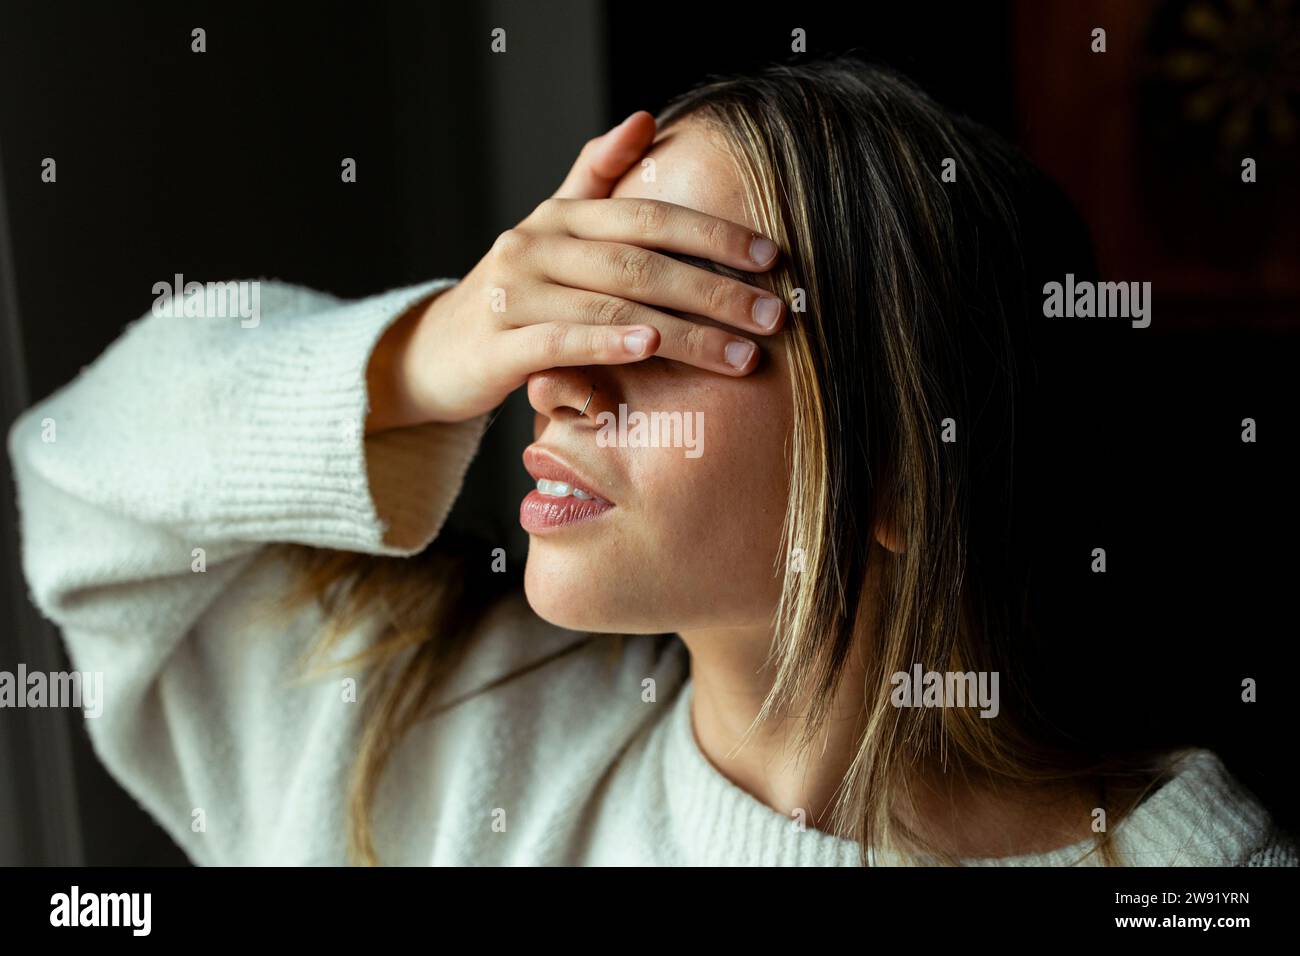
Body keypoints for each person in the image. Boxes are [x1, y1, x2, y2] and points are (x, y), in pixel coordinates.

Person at [9, 55, 1295, 866]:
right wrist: (436, 342)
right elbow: (78, 469)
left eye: (666, 314)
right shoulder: (418, 735)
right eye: (564, 294)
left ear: (906, 470)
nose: (555, 377)